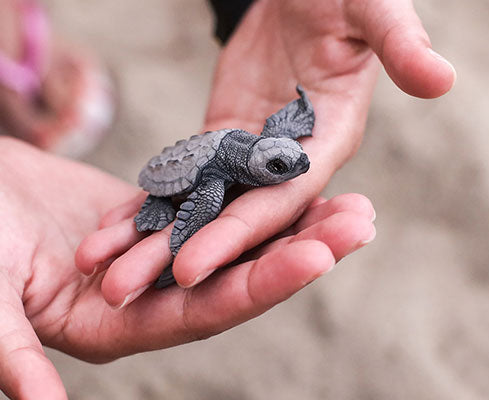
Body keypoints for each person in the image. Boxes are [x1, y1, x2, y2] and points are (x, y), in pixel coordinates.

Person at [0, 0, 455, 398]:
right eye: (281, 168)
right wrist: (176, 253)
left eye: (293, 160)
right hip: (167, 178)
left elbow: (279, 139)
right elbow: (199, 211)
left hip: (210, 153)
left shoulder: (259, 143)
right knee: (173, 223)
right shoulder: (217, 180)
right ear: (255, 167)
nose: (297, 169)